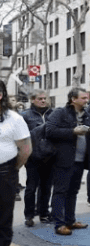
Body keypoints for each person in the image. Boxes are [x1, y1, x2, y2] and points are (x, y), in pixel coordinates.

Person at [47, 87, 90, 236]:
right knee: (60, 191)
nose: (86, 100)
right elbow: (49, 131)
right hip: (63, 159)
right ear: (73, 99)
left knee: (73, 192)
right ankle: (59, 224)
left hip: (80, 160)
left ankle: (70, 220)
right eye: (83, 98)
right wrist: (72, 131)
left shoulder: (88, 115)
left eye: (87, 98)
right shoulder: (60, 113)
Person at [0, 80, 32, 246]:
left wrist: (12, 169)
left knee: (3, 217)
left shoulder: (14, 119)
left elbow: (25, 149)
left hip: (4, 173)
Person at [21, 91, 54, 227]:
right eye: (39, 99)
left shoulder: (53, 114)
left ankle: (44, 213)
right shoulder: (25, 115)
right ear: (32, 100)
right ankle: (29, 215)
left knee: (46, 187)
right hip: (33, 157)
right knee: (31, 188)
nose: (43, 101)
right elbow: (22, 136)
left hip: (50, 156)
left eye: (45, 98)